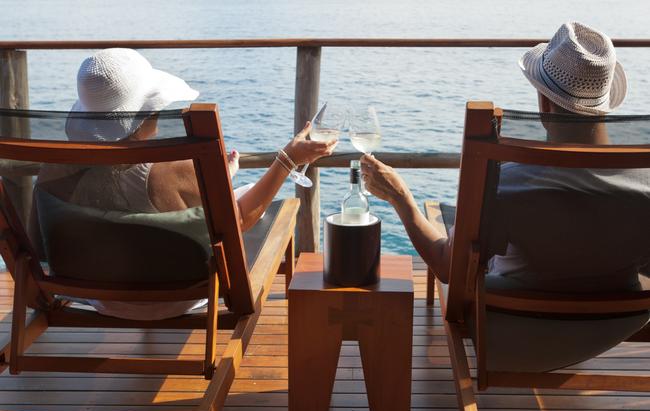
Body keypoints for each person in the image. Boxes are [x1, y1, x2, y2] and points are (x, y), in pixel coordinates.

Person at [35, 48, 336, 319]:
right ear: (151, 111)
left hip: (98, 296)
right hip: (178, 297)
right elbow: (241, 218)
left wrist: (217, 180)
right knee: (275, 213)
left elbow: (42, 238)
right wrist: (287, 160)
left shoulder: (55, 170)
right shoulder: (173, 173)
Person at [361, 22, 650, 292]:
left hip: (518, 329)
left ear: (545, 103)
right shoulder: (643, 179)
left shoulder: (508, 182)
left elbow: (447, 267)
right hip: (616, 324)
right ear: (605, 101)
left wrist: (399, 196)